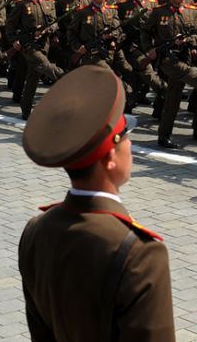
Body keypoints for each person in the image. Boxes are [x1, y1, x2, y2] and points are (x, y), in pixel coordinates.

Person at [18, 65, 175, 341]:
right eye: (125, 134)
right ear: (110, 157)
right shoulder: (141, 254)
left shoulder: (35, 231)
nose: (130, 144)